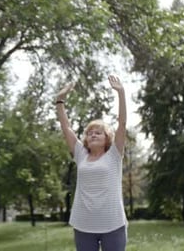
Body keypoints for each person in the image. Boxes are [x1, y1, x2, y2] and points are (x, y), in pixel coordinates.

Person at [55, 75, 127, 251]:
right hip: (84, 224)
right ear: (86, 139)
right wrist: (60, 101)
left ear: (107, 138)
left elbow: (122, 123)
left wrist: (121, 93)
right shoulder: (80, 153)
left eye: (98, 132)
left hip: (113, 223)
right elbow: (66, 128)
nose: (93, 134)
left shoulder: (114, 154)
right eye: (90, 133)